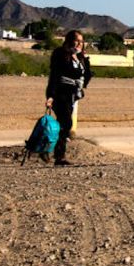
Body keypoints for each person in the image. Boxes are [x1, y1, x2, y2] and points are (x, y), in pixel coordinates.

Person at [45, 30, 93, 166]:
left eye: (81, 41)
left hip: (72, 94)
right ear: (69, 40)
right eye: (76, 40)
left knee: (63, 124)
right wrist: (51, 96)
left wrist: (85, 62)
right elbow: (54, 76)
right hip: (60, 93)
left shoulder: (81, 57)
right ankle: (58, 156)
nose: (79, 44)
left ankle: (50, 151)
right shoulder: (60, 54)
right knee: (66, 123)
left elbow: (86, 74)